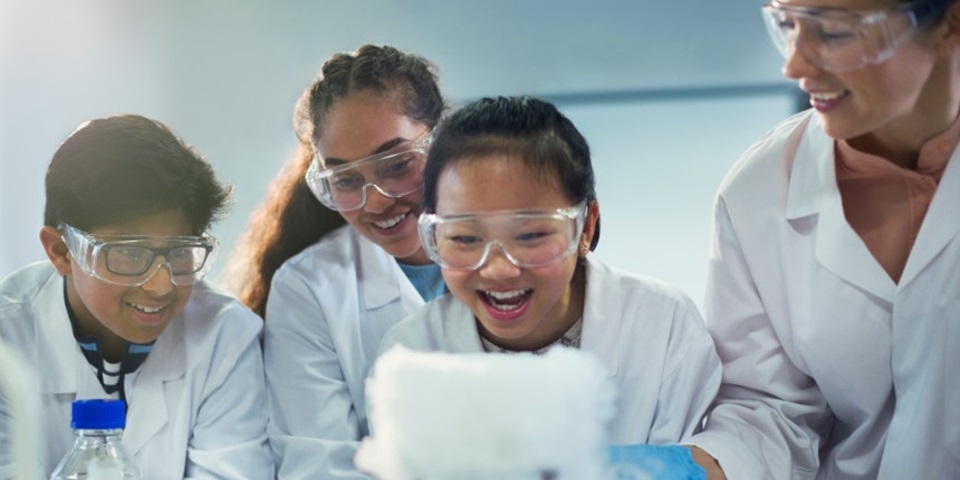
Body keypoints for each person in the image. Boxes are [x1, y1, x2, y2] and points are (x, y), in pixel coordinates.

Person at [683, 0, 960, 478]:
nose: (794, 64)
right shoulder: (758, 190)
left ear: (950, 23)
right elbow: (770, 410)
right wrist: (691, 470)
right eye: (787, 25)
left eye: (833, 32)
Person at [376, 96, 722, 451]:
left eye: (530, 236)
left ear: (585, 226)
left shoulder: (662, 327)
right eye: (465, 238)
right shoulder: (410, 352)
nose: (498, 269)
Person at [0, 114, 273, 479]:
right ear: (61, 252)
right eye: (128, 253)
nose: (161, 286)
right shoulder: (8, 342)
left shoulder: (224, 337)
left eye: (179, 252)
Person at [225, 44, 446, 478]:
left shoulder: (516, 253)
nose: (376, 200)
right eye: (346, 180)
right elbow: (319, 466)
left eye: (398, 164)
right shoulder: (310, 287)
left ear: (443, 142)